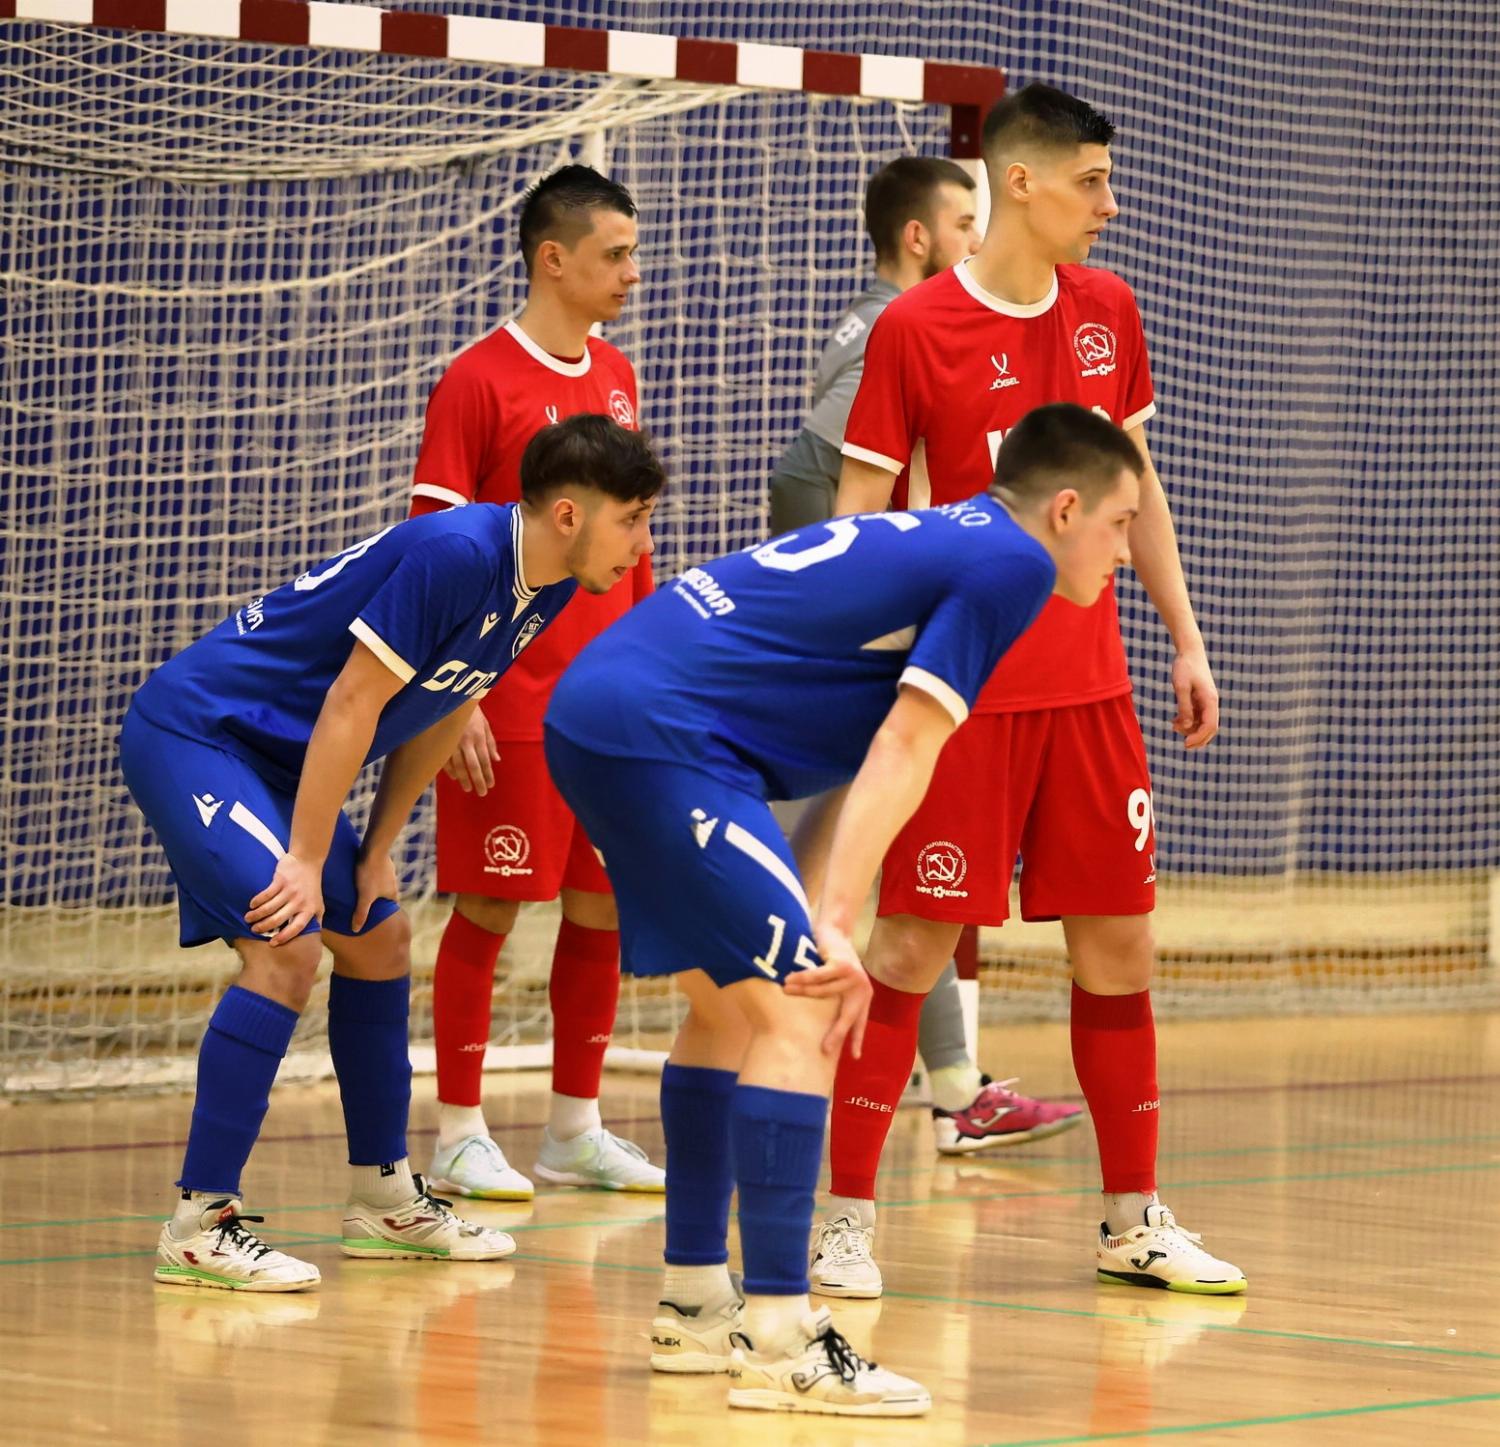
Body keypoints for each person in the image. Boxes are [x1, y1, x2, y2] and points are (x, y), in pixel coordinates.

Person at [545, 404, 1145, 1415]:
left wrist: (817, 903)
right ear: (1066, 509)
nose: (1126, 553)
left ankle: (696, 1302)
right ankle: (782, 1335)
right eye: (1121, 524)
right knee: (807, 1005)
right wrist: (830, 925)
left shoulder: (955, 539)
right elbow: (905, 749)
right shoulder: (1012, 564)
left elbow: (854, 762)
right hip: (661, 731)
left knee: (730, 1009)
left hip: (610, 709)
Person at [814, 82, 1246, 1298]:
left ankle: (1133, 1218)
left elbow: (1136, 491)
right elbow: (860, 519)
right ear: (1020, 180)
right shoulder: (916, 329)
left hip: (1092, 695)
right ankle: (844, 1221)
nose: (1109, 205)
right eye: (1091, 182)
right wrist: (857, 674)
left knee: (1120, 944)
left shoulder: (1110, 311)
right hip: (961, 697)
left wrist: (1185, 636)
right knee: (908, 944)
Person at [121, 415, 662, 1291]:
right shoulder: (457, 553)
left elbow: (449, 703)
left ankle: (383, 1199)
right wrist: (306, 859)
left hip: (279, 763)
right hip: (201, 734)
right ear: (569, 514)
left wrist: (376, 850)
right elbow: (352, 702)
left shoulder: (551, 585)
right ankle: (199, 1221)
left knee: (379, 935)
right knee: (287, 943)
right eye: (632, 520)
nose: (642, 544)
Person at [769, 154, 1084, 1156]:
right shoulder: (902, 330)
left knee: (891, 866)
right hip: (880, 646)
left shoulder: (870, 325)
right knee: (872, 868)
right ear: (919, 237)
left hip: (869, 636)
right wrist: (868, 624)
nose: (977, 240)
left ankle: (946, 1083)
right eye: (961, 223)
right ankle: (823, 1069)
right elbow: (807, 479)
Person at [411, 165, 664, 1200]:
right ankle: (459, 1132)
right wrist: (454, 695)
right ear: (553, 258)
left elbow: (635, 540)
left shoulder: (620, 374)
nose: (632, 273)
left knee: (602, 907)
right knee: (489, 906)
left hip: (605, 705)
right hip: (505, 699)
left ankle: (574, 1127)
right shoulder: (476, 380)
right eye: (616, 254)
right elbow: (428, 553)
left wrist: (652, 675)